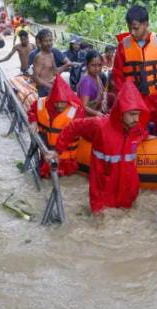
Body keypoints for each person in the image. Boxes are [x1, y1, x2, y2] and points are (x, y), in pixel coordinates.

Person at [45, 79, 150, 214]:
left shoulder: (137, 129)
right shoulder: (100, 125)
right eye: (132, 114)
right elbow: (73, 126)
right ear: (121, 112)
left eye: (138, 114)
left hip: (127, 192)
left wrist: (148, 136)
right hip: (103, 193)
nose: (136, 118)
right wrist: (57, 151)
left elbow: (141, 135)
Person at [112, 5, 157, 137]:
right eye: (129, 28)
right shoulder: (123, 46)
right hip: (136, 101)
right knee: (136, 134)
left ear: (146, 24)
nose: (132, 32)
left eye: (135, 28)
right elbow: (118, 76)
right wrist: (125, 97)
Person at [28, 76, 85, 177]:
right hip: (47, 156)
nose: (59, 105)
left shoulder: (77, 111)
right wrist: (33, 121)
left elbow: (72, 133)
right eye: (56, 102)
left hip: (66, 160)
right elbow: (32, 109)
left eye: (62, 102)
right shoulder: (42, 103)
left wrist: (57, 151)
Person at [31, 29, 72, 98]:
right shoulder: (39, 57)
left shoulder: (51, 55)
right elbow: (35, 77)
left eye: (50, 40)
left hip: (52, 85)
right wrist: (49, 86)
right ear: (40, 42)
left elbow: (54, 71)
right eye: (46, 41)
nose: (49, 43)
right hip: (43, 89)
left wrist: (66, 65)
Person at [76, 50, 106, 117]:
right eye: (93, 65)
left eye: (99, 65)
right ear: (87, 65)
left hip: (95, 114)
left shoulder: (97, 77)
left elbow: (103, 91)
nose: (97, 68)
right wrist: (97, 113)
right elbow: (84, 106)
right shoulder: (87, 81)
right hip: (85, 119)